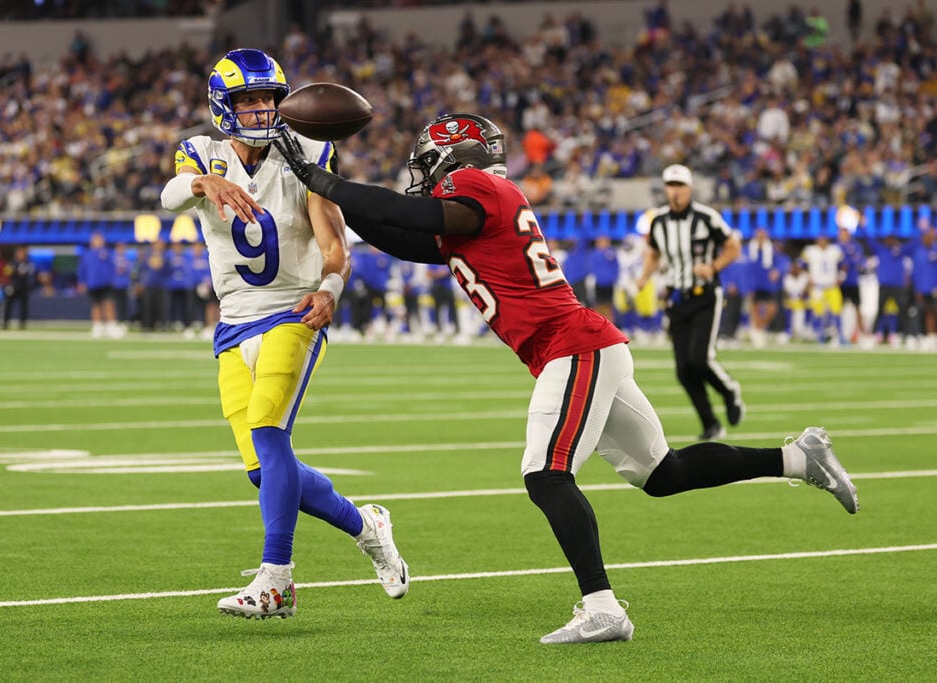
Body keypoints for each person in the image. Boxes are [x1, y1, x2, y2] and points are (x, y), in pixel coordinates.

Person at [272, 112, 860, 645]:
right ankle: (796, 459)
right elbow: (401, 235)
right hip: (585, 346)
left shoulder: (476, 187)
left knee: (545, 475)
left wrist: (327, 182)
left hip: (573, 348)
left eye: (429, 164)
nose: (423, 176)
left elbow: (410, 213)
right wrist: (329, 196)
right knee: (663, 474)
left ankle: (603, 608)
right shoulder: (471, 213)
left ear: (454, 159)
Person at [159, 48, 408, 620]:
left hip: (292, 309)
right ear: (224, 104)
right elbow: (168, 195)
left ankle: (277, 580)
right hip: (232, 318)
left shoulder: (309, 152)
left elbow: (334, 245)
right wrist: (202, 184)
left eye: (269, 97)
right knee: (261, 468)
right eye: (248, 99)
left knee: (270, 433)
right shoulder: (202, 153)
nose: (261, 108)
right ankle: (365, 525)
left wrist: (330, 290)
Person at [636, 165, 744, 441]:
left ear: (689, 188)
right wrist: (644, 276)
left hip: (705, 295)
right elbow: (654, 252)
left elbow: (733, 246)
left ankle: (729, 390)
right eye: (670, 185)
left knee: (699, 358)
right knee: (684, 370)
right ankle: (710, 423)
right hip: (676, 298)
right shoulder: (658, 221)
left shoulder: (707, 217)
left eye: (680, 185)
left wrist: (714, 266)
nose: (675, 191)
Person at [77, 232, 119, 338]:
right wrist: (82, 282)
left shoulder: (106, 252)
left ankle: (111, 326)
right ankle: (97, 327)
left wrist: (113, 279)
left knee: (108, 304)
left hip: (105, 283)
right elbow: (82, 269)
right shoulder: (87, 254)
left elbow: (112, 267)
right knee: (96, 305)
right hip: (92, 284)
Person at [3, 246, 35, 329]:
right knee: (8, 305)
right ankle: (5, 323)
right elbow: (6, 272)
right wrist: (14, 271)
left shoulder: (27, 263)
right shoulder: (12, 262)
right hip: (13, 287)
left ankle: (22, 324)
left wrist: (15, 271)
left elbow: (27, 272)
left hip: (23, 287)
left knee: (23, 306)